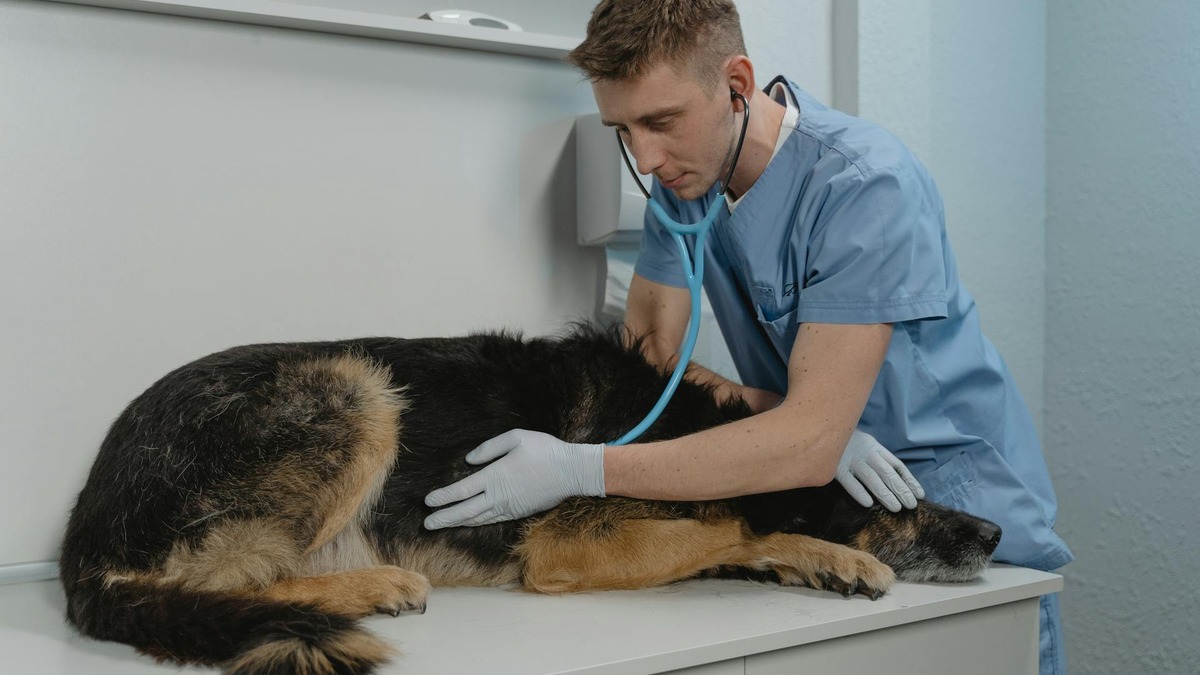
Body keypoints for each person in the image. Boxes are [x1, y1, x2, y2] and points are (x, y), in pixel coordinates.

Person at [424, 1, 1071, 673]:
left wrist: (578, 468)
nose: (646, 159)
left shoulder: (864, 186)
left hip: (942, 507)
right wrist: (778, 416)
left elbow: (810, 445)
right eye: (624, 129)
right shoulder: (688, 182)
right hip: (820, 502)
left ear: (736, 84)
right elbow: (649, 360)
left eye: (661, 122)